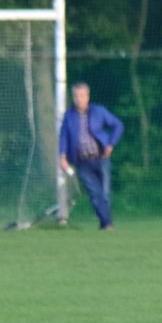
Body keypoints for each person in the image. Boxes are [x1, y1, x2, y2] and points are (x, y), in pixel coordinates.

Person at [59, 82, 124, 229]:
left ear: (87, 97)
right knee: (95, 194)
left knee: (105, 194)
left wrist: (110, 144)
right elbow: (64, 137)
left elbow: (118, 125)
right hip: (82, 162)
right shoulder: (69, 116)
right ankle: (107, 224)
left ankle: (105, 223)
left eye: (82, 95)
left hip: (101, 158)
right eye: (75, 96)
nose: (79, 99)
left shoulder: (98, 112)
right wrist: (62, 156)